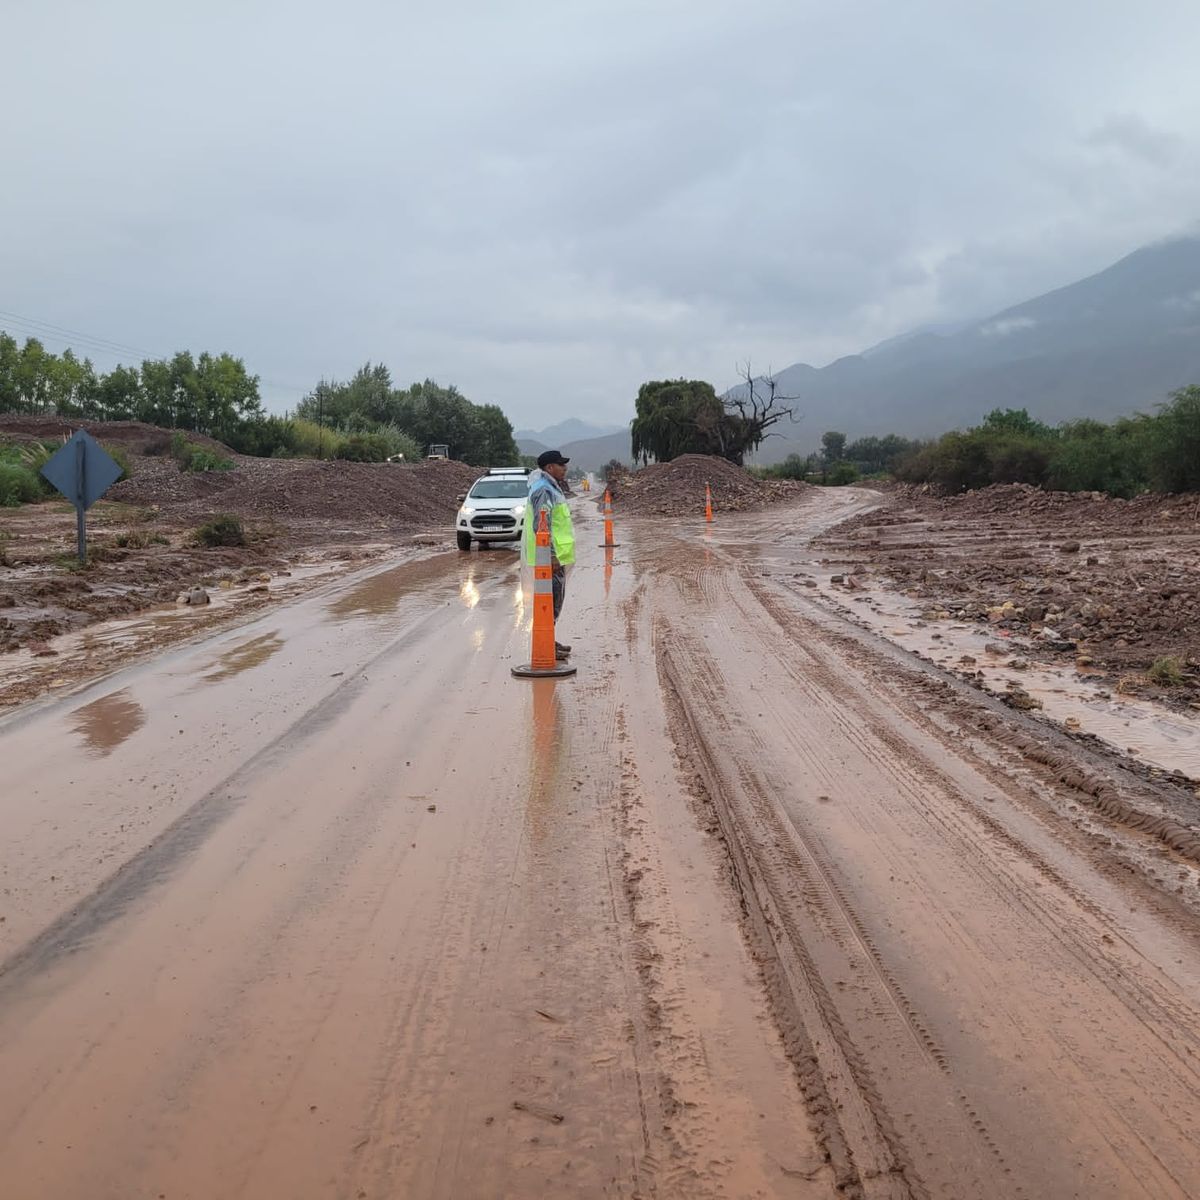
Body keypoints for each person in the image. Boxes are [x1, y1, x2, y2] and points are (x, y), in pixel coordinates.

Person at [525, 450, 576, 660]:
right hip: (549, 559)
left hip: (555, 557)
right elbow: (542, 526)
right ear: (549, 468)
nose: (565, 468)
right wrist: (551, 556)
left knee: (554, 601)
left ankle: (550, 640)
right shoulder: (544, 491)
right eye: (560, 464)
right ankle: (545, 645)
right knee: (550, 602)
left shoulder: (550, 488)